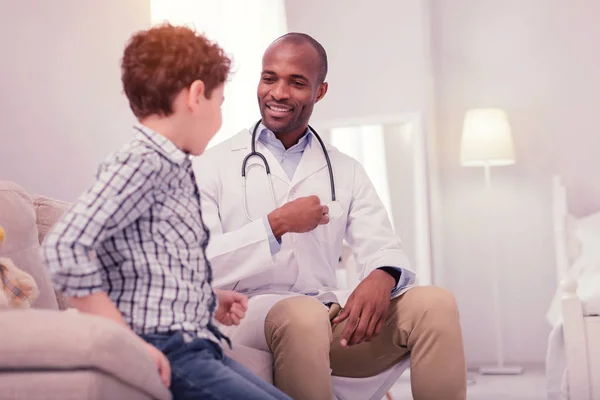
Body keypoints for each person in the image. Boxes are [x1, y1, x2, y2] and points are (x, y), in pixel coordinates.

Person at [194, 32, 468, 400]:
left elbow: (381, 242)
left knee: (435, 304)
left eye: (297, 82)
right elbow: (201, 266)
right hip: (249, 315)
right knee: (303, 315)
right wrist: (276, 224)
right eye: (269, 77)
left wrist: (382, 275)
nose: (277, 93)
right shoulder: (213, 165)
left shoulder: (345, 168)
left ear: (320, 92)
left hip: (325, 313)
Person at [42, 24, 292, 400]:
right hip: (170, 350)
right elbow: (64, 248)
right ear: (195, 95)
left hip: (195, 343)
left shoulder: (169, 167)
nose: (220, 118)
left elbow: (147, 268)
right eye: (219, 102)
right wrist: (124, 341)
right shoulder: (144, 162)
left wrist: (208, 297)